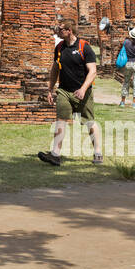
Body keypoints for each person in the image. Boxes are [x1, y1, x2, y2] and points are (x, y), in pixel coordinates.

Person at [39, 21, 101, 166]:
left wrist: (83, 89)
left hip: (82, 91)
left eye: (60, 29)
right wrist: (50, 89)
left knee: (89, 122)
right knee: (61, 121)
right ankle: (55, 155)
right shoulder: (59, 47)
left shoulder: (84, 47)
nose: (57, 31)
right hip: (64, 91)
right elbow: (55, 69)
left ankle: (97, 152)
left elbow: (93, 71)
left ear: (69, 31)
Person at [118, 27, 135, 109]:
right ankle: (134, 103)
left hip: (127, 64)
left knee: (126, 82)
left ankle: (122, 101)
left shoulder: (126, 43)